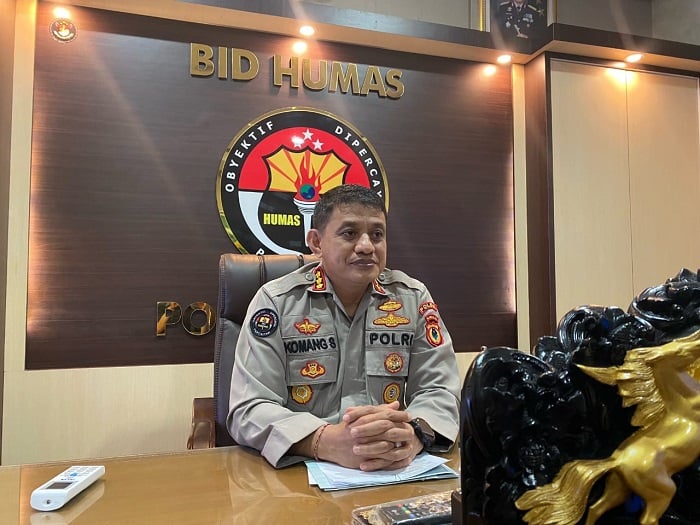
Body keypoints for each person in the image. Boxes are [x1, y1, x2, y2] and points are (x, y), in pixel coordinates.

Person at [227, 184, 460, 470]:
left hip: (393, 466)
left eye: (377, 234)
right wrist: (323, 440)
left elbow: (440, 390)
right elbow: (250, 407)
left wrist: (413, 435)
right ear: (316, 242)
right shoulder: (276, 302)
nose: (366, 246)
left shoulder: (413, 298)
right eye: (349, 233)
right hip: (302, 472)